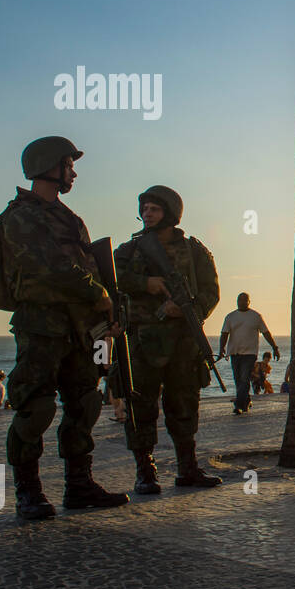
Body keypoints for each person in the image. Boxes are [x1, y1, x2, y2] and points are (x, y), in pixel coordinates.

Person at [1, 136, 129, 519]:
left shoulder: (70, 218)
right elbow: (52, 266)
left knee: (85, 402)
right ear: (48, 166)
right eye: (68, 164)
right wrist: (99, 294)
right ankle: (29, 491)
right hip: (42, 327)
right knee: (35, 407)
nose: (73, 172)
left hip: (80, 329)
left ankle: (79, 485)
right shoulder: (21, 215)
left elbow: (88, 266)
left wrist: (107, 316)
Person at [117, 185, 223, 494]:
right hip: (143, 340)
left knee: (184, 404)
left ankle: (187, 468)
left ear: (171, 214)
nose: (147, 214)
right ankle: (145, 471)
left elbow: (210, 290)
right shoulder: (129, 250)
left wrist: (189, 308)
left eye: (155, 209)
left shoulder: (193, 250)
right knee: (141, 406)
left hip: (182, 342)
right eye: (145, 209)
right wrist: (144, 284)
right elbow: (110, 279)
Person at [218, 292, 279, 415]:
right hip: (235, 352)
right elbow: (224, 333)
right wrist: (221, 349)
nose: (241, 302)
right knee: (238, 379)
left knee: (244, 378)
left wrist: (274, 347)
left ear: (249, 302)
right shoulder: (230, 317)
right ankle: (246, 401)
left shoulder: (256, 316)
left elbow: (266, 333)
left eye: (244, 300)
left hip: (250, 353)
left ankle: (239, 405)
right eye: (239, 300)